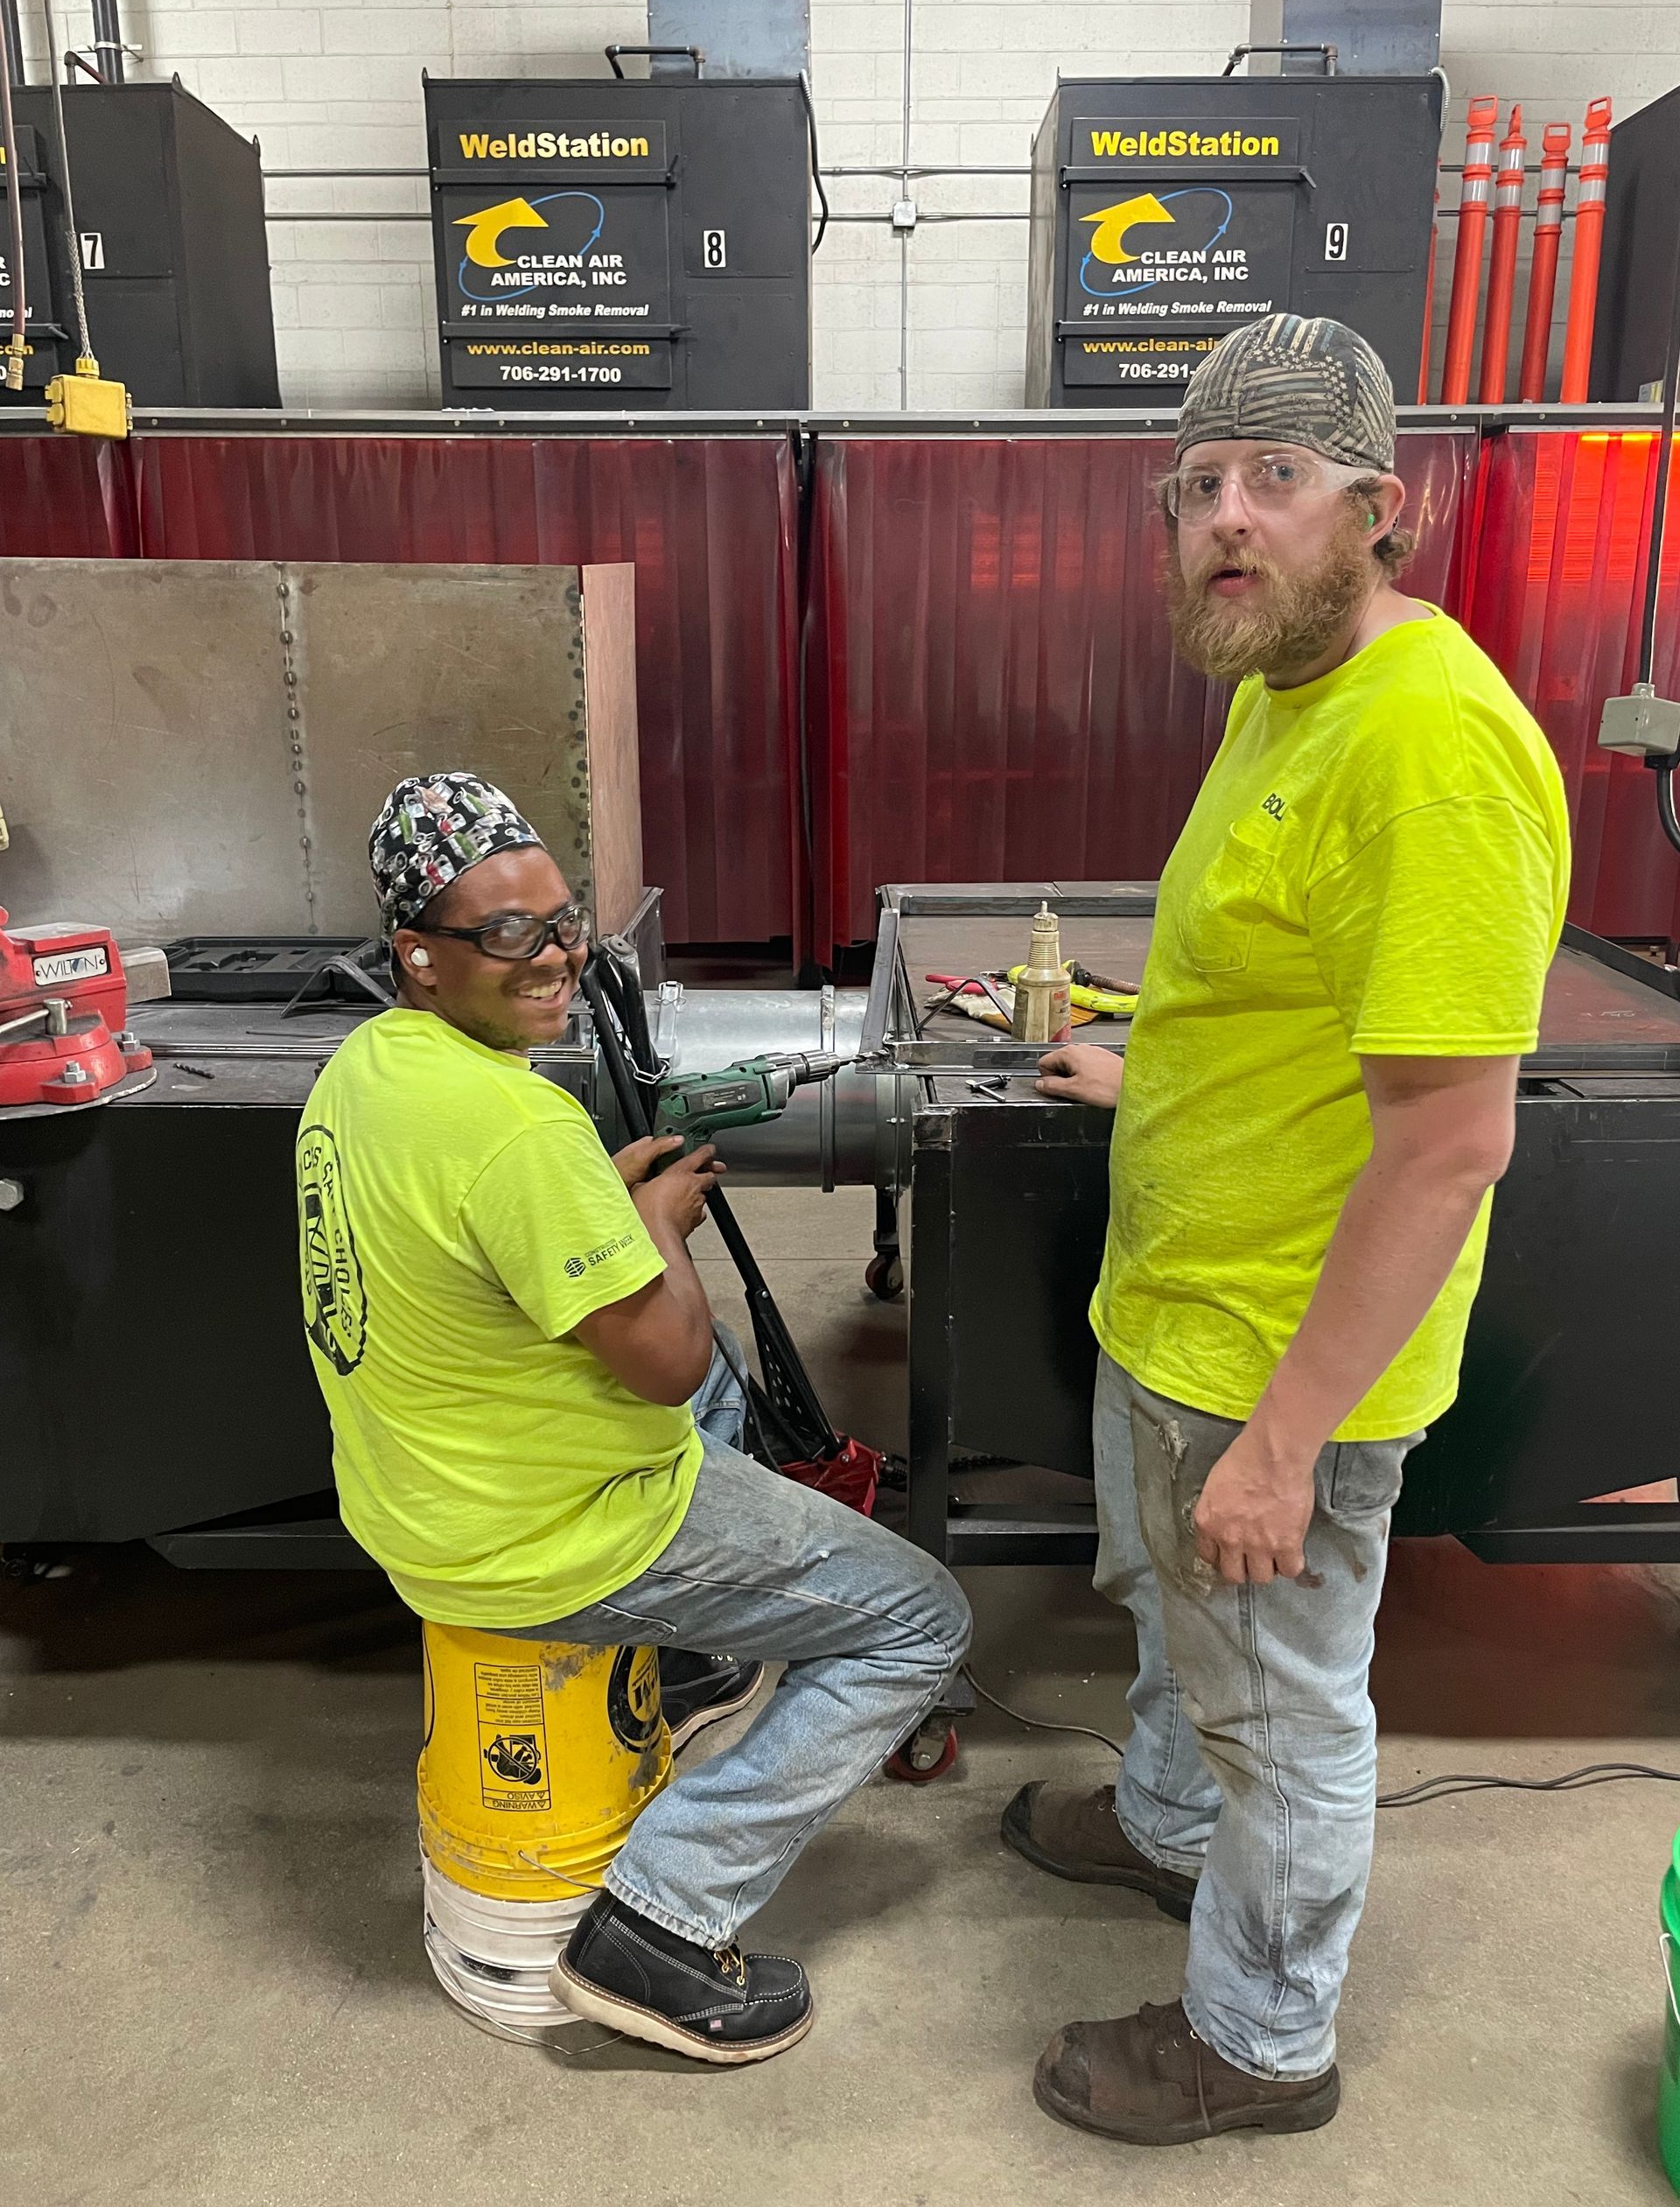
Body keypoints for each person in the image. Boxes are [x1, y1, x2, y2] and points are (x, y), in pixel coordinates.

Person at [1004, 316, 1570, 2145]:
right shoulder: (1280, 686)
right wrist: (1157, 1074)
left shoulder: (1429, 750)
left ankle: (1260, 2039)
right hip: (1182, 1308)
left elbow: (1449, 1146)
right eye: (1198, 484)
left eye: (1277, 477)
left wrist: (1283, 1441)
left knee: (1285, 1707)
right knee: (1189, 1645)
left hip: (1273, 1361)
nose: (1226, 518)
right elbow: (1281, 984)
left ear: (1379, 509)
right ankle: (1174, 1830)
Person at [296, 773, 971, 2065]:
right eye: (506, 933)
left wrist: (594, 1211)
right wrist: (652, 1227)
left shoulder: (364, 1071)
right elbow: (664, 1364)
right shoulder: (518, 1128)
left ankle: (701, 1654)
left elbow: (473, 1247)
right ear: (418, 954)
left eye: (563, 923)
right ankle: (662, 1920)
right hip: (537, 1543)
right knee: (918, 1620)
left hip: (415, 1496)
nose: (553, 957)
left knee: (728, 1388)